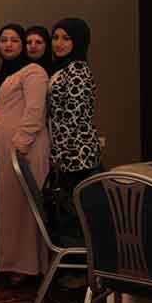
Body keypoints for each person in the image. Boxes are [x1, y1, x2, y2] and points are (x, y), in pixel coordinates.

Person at [0, 24, 50, 284]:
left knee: (24, 208)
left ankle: (27, 267)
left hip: (25, 150)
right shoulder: (3, 74)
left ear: (23, 44)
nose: (8, 44)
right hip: (5, 152)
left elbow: (35, 111)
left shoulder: (33, 71)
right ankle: (12, 262)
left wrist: (20, 145)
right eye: (3, 40)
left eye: (14, 40)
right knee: (11, 208)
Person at [48, 18, 103, 279]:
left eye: (66, 38)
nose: (59, 43)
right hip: (68, 152)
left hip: (77, 154)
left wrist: (57, 156)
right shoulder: (64, 68)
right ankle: (76, 271)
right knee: (69, 212)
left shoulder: (78, 70)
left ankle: (82, 274)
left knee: (76, 214)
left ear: (78, 41)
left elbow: (72, 119)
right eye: (56, 37)